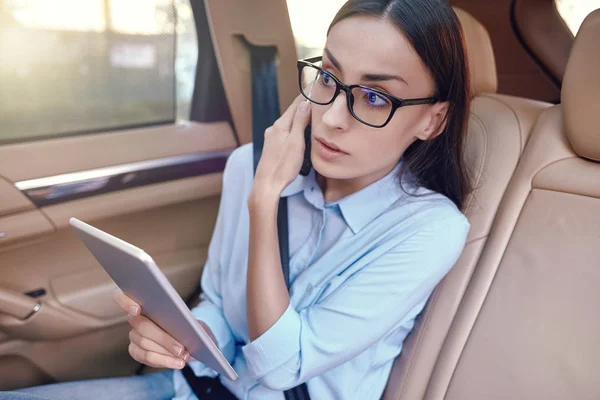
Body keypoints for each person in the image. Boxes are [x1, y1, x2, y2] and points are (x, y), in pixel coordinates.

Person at [0, 0, 471, 398]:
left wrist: (265, 199)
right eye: (328, 77)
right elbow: (220, 300)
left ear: (432, 120)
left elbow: (285, 364)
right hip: (191, 387)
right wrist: (189, 338)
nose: (330, 118)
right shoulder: (249, 163)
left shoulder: (430, 229)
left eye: (373, 97)